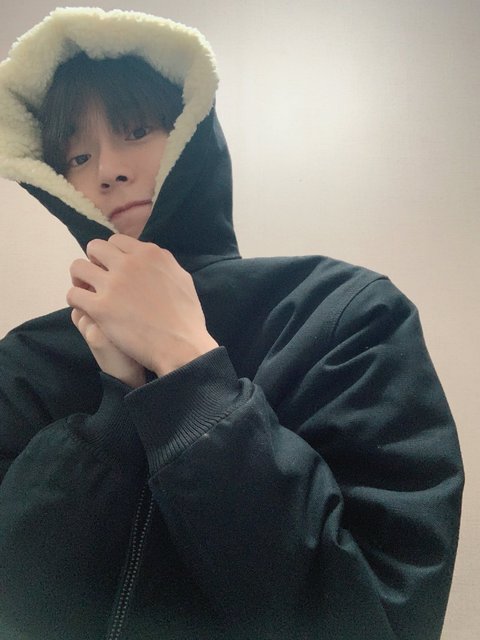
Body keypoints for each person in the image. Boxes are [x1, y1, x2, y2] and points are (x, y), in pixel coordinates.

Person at [0, 7, 463, 640]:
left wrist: (190, 377)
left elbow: (383, 615)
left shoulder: (346, 314)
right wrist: (116, 410)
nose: (107, 169)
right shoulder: (26, 361)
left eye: (137, 129)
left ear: (193, 130)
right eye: (78, 155)